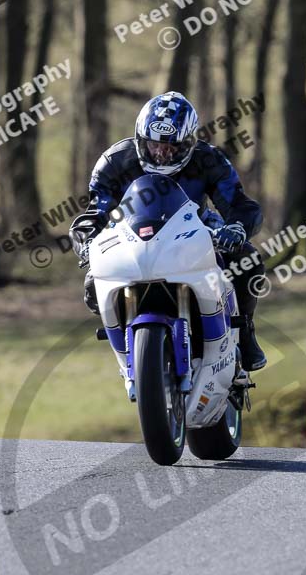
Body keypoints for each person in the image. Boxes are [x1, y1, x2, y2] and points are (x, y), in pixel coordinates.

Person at [70, 91, 267, 371]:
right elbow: (95, 212)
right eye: (154, 146)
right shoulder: (114, 162)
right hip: (131, 238)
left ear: (189, 143)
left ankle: (244, 329)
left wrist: (236, 228)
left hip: (194, 231)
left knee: (248, 261)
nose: (162, 154)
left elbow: (239, 204)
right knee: (92, 284)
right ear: (140, 139)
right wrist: (87, 241)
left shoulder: (209, 160)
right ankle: (128, 341)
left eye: (172, 147)